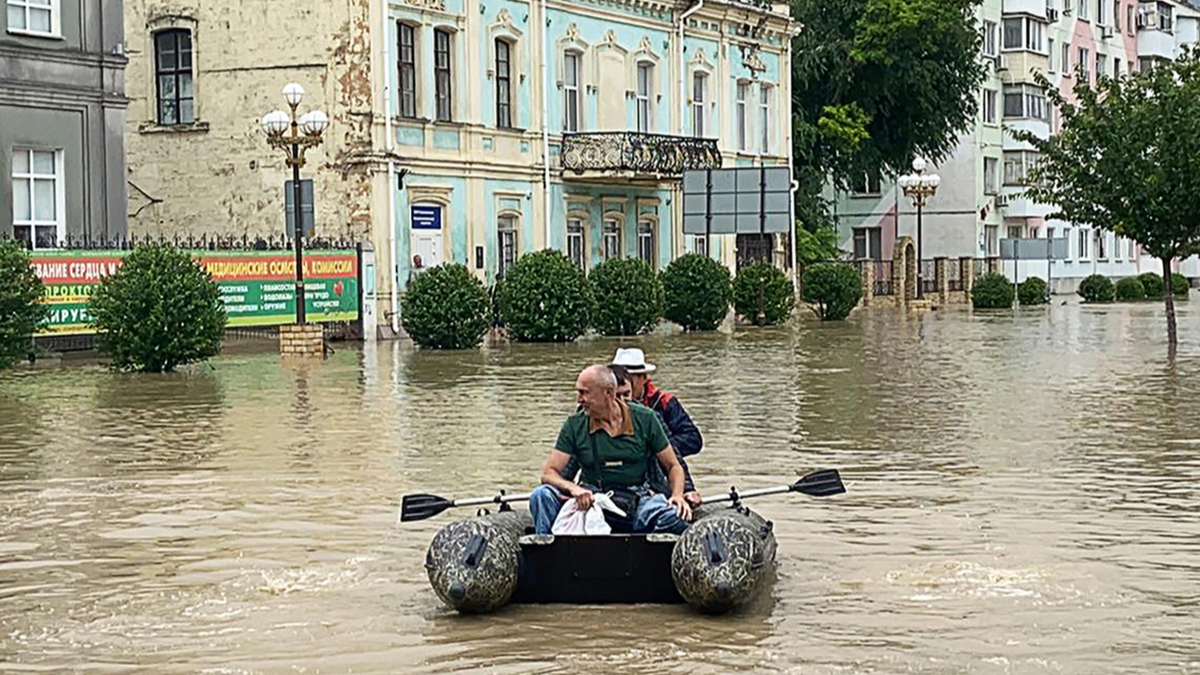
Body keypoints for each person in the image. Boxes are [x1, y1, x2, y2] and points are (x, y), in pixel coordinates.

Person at [529, 365, 692, 536]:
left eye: (584, 393)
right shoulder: (574, 424)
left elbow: (674, 466)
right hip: (590, 501)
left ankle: (646, 554)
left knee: (676, 517)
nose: (579, 399)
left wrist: (678, 495)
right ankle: (549, 554)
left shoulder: (646, 418)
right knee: (541, 495)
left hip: (636, 501)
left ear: (608, 393)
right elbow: (549, 473)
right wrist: (574, 489)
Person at [559, 365, 698, 500]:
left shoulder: (647, 417)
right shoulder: (582, 421)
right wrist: (567, 489)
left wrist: (686, 490)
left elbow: (674, 461)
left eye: (626, 395)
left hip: (644, 491)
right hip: (597, 493)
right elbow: (567, 465)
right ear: (607, 394)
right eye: (616, 396)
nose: (620, 402)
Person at [611, 348, 703, 506]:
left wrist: (654, 447)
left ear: (643, 378)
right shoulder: (590, 413)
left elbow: (691, 441)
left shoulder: (663, 403)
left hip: (658, 469)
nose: (622, 400)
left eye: (628, 380)